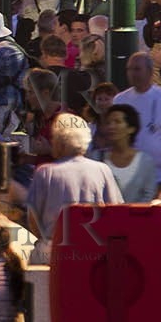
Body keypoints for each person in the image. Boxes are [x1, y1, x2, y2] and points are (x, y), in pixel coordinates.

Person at [24, 113, 122, 263]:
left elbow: (32, 217)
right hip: (93, 251)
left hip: (54, 251)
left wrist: (43, 239)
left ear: (58, 142)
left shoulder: (44, 172)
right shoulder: (103, 170)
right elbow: (115, 212)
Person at [113, 51, 161, 186]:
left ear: (150, 71)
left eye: (137, 69)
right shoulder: (120, 100)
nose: (133, 73)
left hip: (159, 175)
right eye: (129, 69)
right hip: (127, 174)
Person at [101, 104, 157, 203]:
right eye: (108, 123)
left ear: (131, 128)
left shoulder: (145, 161)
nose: (111, 126)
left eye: (117, 122)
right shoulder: (96, 158)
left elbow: (149, 194)